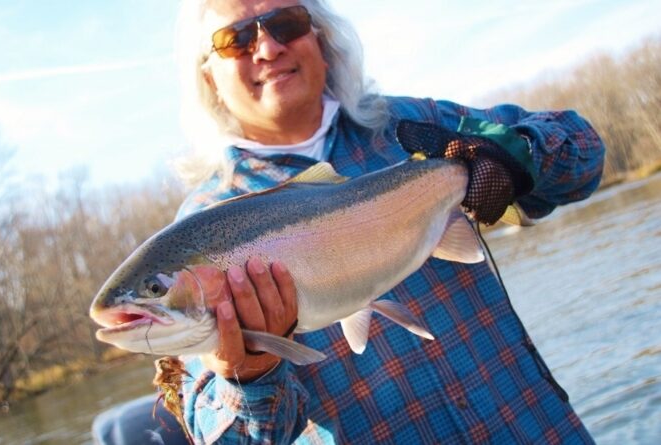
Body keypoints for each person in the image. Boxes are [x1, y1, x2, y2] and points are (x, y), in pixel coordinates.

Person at [171, 0, 605, 443]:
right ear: (209, 78)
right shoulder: (193, 243)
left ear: (320, 39)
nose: (267, 47)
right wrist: (247, 373)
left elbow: (585, 155)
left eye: (286, 23)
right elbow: (222, 437)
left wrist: (517, 155)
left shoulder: (417, 126)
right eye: (237, 39)